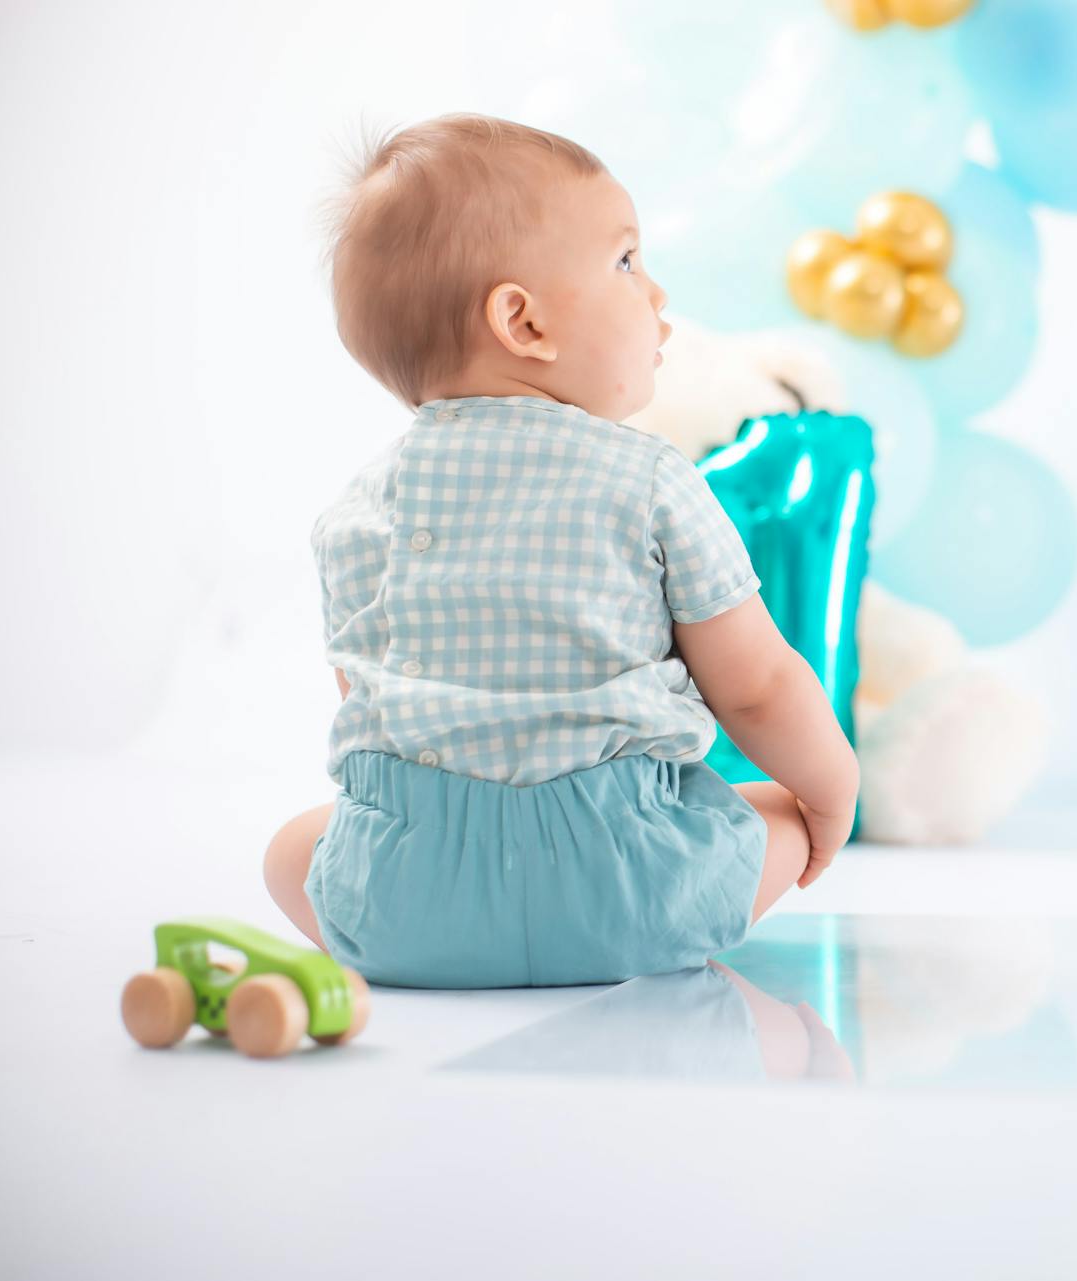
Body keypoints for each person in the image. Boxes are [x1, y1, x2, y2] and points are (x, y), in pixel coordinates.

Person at [260, 113, 858, 988]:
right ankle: (648, 908)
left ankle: (434, 943)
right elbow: (760, 687)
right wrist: (831, 790)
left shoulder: (352, 515)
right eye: (625, 261)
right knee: (780, 817)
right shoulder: (654, 480)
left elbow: (370, 714)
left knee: (291, 850)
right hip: (632, 888)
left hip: (411, 901)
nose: (655, 295)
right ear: (522, 321)